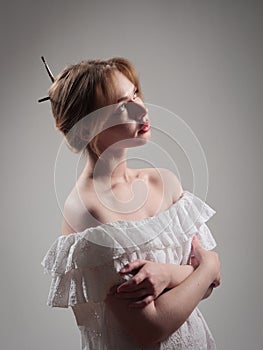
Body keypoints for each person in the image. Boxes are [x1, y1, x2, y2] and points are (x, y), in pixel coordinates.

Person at [41, 57, 220, 349]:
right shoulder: (88, 211)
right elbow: (149, 327)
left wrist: (171, 274)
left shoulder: (164, 182)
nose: (142, 108)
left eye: (135, 93)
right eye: (122, 105)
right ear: (86, 128)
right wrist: (207, 267)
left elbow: (210, 285)